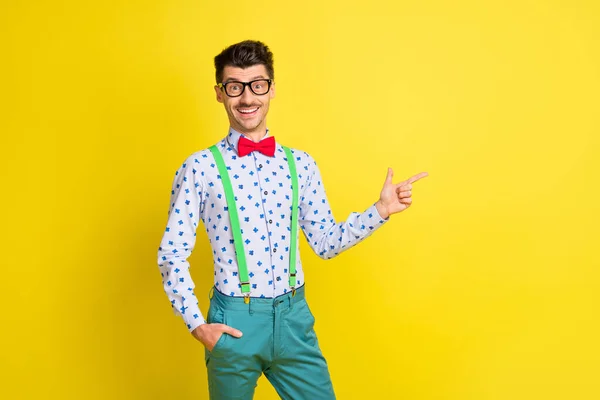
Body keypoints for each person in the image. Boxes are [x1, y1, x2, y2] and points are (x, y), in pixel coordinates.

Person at [157, 40, 428, 400]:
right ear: (220, 94)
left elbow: (326, 243)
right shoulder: (200, 168)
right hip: (234, 321)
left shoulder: (300, 164)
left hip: (294, 319)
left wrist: (379, 210)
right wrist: (198, 325)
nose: (247, 98)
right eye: (235, 87)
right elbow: (171, 253)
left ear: (271, 88)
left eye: (257, 85)